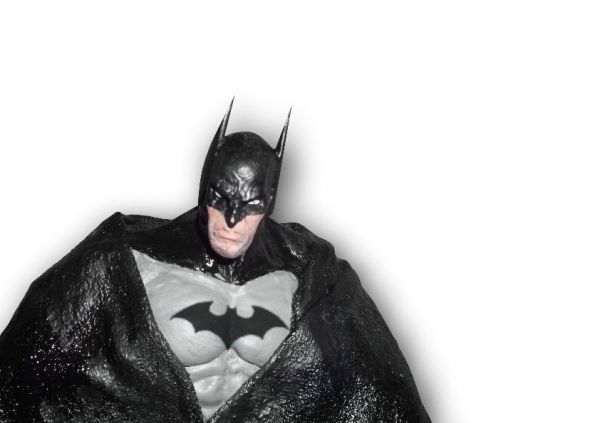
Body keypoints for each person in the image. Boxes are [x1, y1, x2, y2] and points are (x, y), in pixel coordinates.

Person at [0, 101, 431, 422]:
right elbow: (19, 370)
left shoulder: (314, 277)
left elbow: (382, 393)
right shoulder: (125, 261)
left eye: (251, 204)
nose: (232, 220)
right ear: (204, 189)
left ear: (270, 202)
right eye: (220, 199)